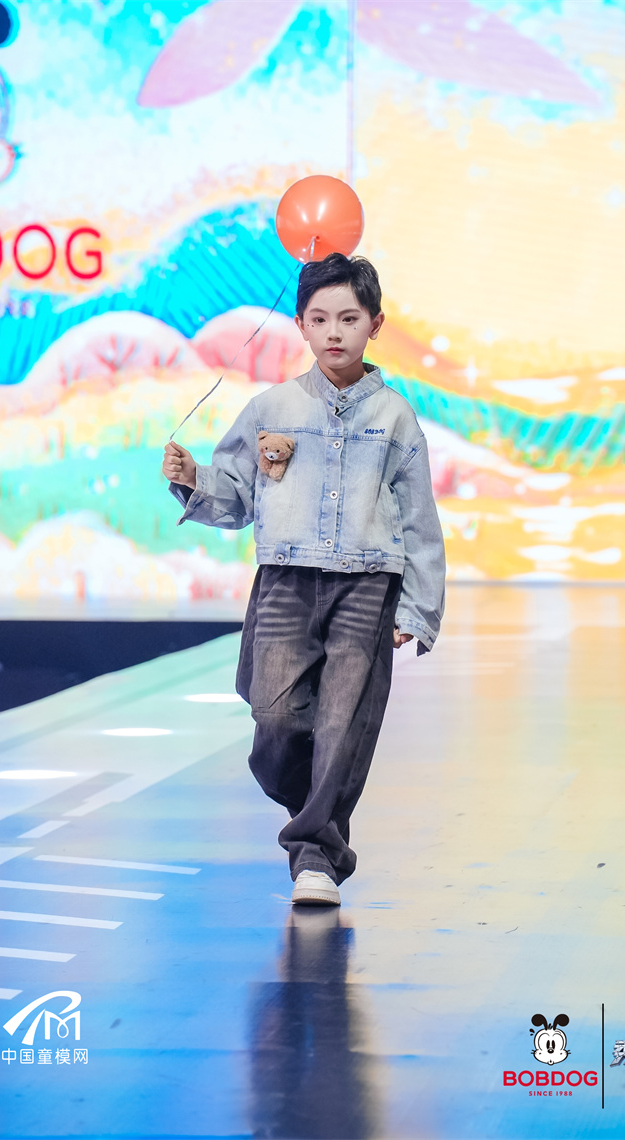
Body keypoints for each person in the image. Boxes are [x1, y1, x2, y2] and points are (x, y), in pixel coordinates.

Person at [162, 253, 445, 907]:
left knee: (344, 722)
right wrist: (193, 477)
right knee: (276, 719)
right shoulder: (273, 407)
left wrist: (417, 610)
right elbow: (235, 496)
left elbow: (420, 521)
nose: (334, 332)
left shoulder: (396, 417)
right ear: (300, 325)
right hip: (286, 582)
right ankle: (317, 808)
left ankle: (316, 855)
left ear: (375, 323)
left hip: (366, 584)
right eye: (320, 319)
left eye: (349, 318)